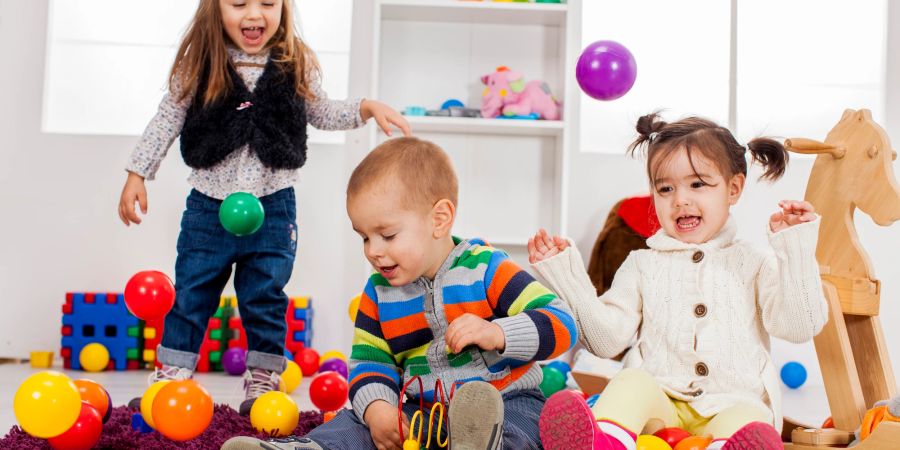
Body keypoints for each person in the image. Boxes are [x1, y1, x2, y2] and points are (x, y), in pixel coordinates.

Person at [117, 0, 410, 415]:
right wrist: (137, 173)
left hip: (273, 207)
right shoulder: (201, 61)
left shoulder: (294, 63)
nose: (254, 14)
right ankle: (174, 371)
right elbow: (167, 118)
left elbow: (320, 110)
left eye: (268, 3)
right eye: (239, 4)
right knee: (191, 291)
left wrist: (363, 108)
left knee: (265, 294)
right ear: (216, 9)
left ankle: (264, 376)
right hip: (208, 206)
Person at [221, 137, 577, 450]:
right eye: (364, 236)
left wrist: (498, 332)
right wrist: (378, 410)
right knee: (353, 425)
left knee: (525, 426)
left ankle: (485, 444)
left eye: (387, 235)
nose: (373, 251)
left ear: (439, 219)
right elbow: (370, 364)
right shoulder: (378, 294)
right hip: (421, 413)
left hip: (506, 399)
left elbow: (560, 322)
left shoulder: (486, 269)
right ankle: (308, 448)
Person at [529, 113, 829, 450]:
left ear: (733, 188)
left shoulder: (754, 261)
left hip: (731, 403)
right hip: (662, 407)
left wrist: (796, 249)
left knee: (749, 416)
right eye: (665, 188)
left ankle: (726, 446)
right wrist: (566, 276)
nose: (680, 200)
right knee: (630, 383)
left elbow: (799, 326)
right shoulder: (642, 263)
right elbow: (606, 340)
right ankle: (603, 443)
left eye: (697, 184)